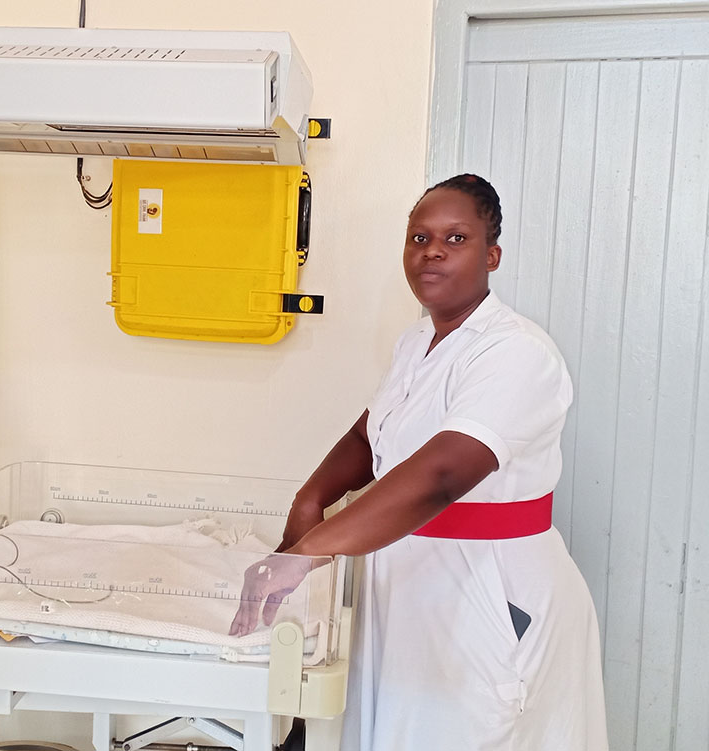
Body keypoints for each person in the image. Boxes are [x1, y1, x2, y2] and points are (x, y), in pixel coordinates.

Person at [230, 175, 609, 750]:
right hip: (409, 582)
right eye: (419, 237)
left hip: (486, 592)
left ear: (492, 255)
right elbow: (370, 436)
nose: (432, 251)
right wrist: (310, 500)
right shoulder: (415, 343)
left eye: (456, 238)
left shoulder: (516, 351)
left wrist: (310, 552)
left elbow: (443, 473)